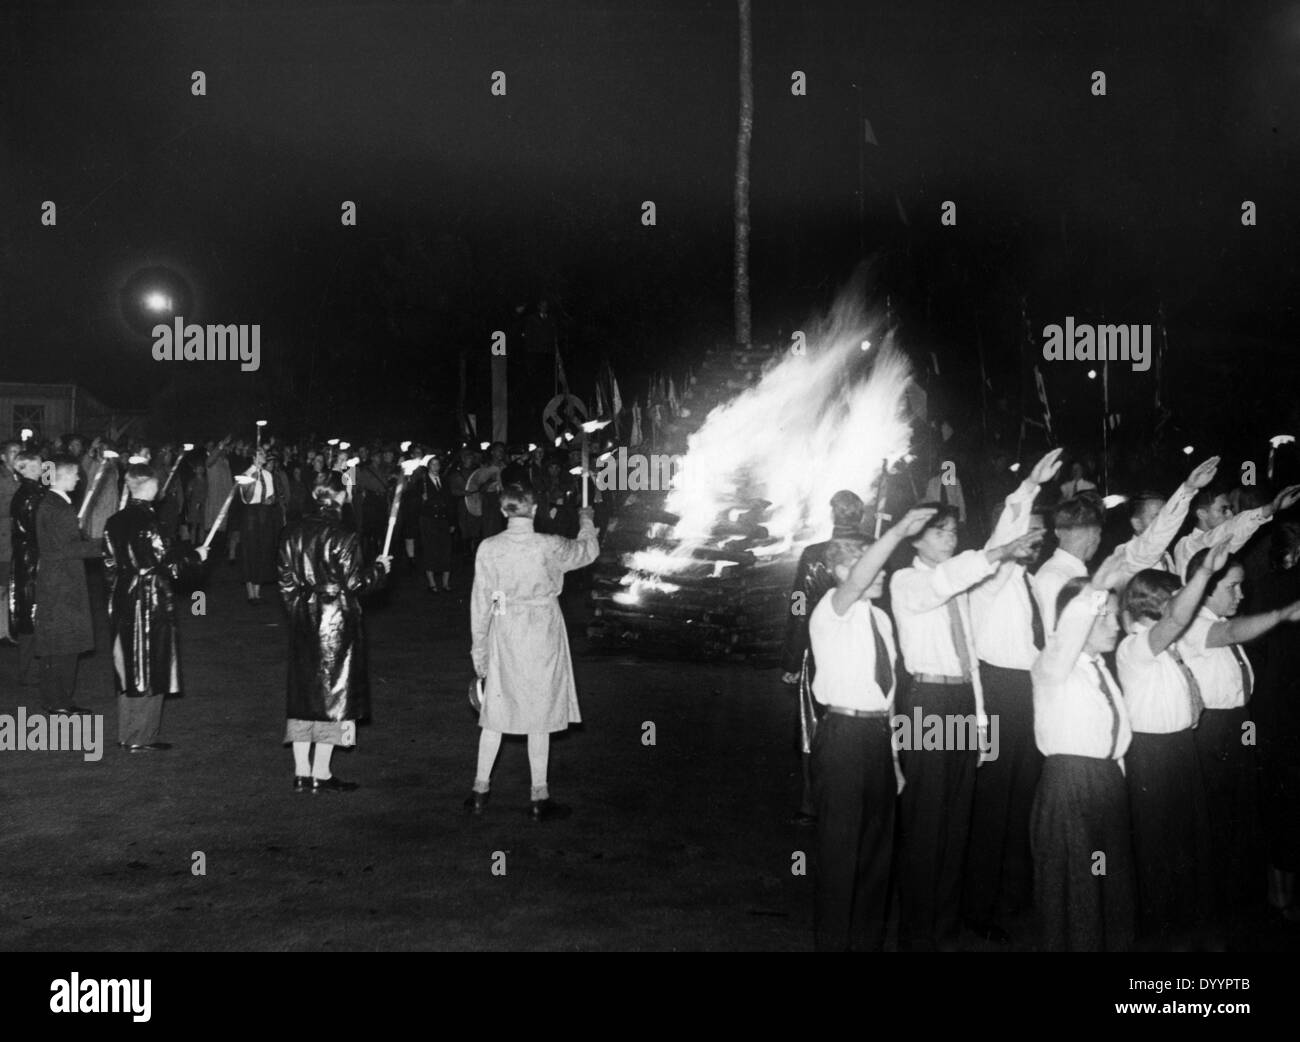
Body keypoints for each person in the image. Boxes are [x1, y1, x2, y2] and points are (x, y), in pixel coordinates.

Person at [888, 504, 1043, 950]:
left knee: (957, 821)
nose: (950, 540)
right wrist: (1000, 551)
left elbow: (971, 663)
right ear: (915, 541)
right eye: (939, 534)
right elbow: (946, 579)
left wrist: (978, 726)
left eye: (954, 533)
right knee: (925, 821)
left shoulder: (959, 590)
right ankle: (916, 936)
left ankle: (944, 929)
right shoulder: (909, 581)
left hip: (958, 701)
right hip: (926, 706)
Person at [808, 507, 935, 951]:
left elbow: (889, 697)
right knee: (841, 855)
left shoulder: (881, 621)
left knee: (876, 857)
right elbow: (859, 580)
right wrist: (900, 530)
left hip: (878, 742)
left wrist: (896, 760)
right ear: (844, 570)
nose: (881, 575)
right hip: (842, 737)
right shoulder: (832, 609)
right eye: (871, 566)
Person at [964, 447, 1063, 943]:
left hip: (1026, 693)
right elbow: (1005, 535)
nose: (1036, 542)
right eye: (1031, 534)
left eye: (1042, 537)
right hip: (998, 693)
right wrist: (1028, 487)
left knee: (1023, 798)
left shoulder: (1031, 583)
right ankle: (977, 908)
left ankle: (1010, 897)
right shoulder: (992, 577)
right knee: (993, 804)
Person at [1179, 546, 1300, 914]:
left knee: (1243, 818)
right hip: (1214, 731)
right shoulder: (1193, 624)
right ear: (1207, 588)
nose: (1241, 595)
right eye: (1232, 587)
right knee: (1219, 823)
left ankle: (1244, 905)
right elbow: (1230, 632)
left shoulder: (1213, 620)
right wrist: (1282, 613)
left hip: (1238, 725)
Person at [467, 484, 598, 821]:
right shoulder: (549, 544)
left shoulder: (489, 547)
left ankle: (479, 791)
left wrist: (480, 649)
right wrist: (586, 520)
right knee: (540, 712)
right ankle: (539, 797)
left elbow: (486, 599)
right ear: (535, 509)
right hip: (542, 628)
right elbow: (586, 552)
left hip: (505, 627)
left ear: (503, 510)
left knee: (496, 709)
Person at [1116, 551, 1227, 941]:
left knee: (1188, 841)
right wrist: (1207, 571)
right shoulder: (1135, 647)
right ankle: (1163, 932)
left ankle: (1189, 924)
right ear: (1160, 605)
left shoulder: (1170, 648)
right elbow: (1178, 617)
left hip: (1181, 748)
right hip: (1152, 755)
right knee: (1158, 845)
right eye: (1176, 598)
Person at [1030, 553, 1137, 951]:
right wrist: (1094, 589)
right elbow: (1070, 626)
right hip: (1070, 788)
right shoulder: (1052, 665)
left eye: (1113, 616)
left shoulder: (1100, 669)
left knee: (1108, 884)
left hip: (1106, 784)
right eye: (1104, 616)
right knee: (1077, 891)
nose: (1115, 625)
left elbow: (1114, 736)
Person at [277, 473, 391, 793]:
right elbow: (356, 584)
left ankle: (303, 772)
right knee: (333, 696)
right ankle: (321, 772)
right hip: (335, 621)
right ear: (339, 497)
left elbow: (285, 583)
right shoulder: (343, 535)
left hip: (304, 616)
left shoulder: (291, 532)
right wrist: (380, 570)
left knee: (305, 697)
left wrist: (299, 612)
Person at [780, 490, 870, 827]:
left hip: (821, 650)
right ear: (860, 515)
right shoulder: (877, 551)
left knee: (812, 728)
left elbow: (800, 608)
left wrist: (791, 660)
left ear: (834, 515)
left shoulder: (814, 554)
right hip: (863, 648)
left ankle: (811, 804)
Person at [104, 464, 209, 751]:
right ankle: (142, 737)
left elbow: (109, 566)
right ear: (151, 487)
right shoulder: (151, 523)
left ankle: (128, 734)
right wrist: (196, 557)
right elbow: (169, 566)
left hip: (123, 598)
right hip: (149, 600)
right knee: (149, 666)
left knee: (129, 665)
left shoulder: (113, 521)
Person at [1254, 521, 1300, 922]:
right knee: (1288, 803)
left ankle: (1277, 893)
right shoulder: (1289, 589)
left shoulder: (1263, 588)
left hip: (1268, 707)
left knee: (1278, 800)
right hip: (1288, 709)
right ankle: (1282, 897)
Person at [33, 456, 102, 715]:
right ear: (61, 476)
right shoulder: (59, 507)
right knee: (64, 644)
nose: (78, 478)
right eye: (74, 474)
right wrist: (102, 546)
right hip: (63, 583)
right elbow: (67, 548)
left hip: (57, 580)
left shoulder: (53, 503)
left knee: (55, 644)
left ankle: (54, 699)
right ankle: (60, 701)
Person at [1172, 481, 1300, 578]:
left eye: (1231, 509)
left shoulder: (1217, 541)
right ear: (1202, 513)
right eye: (1223, 510)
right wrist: (1270, 508)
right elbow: (1231, 529)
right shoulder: (1189, 544)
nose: (1230, 514)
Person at [9, 449, 45, 685]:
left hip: (26, 559)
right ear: (25, 469)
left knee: (30, 617)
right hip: (32, 562)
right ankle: (30, 672)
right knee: (32, 616)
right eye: (38, 465)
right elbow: (38, 531)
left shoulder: (28, 493)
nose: (42, 468)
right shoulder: (31, 496)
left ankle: (30, 670)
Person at [238, 448, 280, 604]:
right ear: (254, 457)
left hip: (264, 513)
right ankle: (250, 593)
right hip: (250, 514)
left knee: (262, 549)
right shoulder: (246, 475)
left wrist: (272, 500)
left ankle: (258, 590)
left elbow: (272, 495)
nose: (264, 456)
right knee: (250, 550)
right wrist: (253, 479)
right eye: (261, 454)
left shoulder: (268, 475)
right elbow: (247, 499)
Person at [418, 455, 455, 593]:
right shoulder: (422, 482)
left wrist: (452, 521)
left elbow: (450, 502)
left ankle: (445, 583)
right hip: (428, 520)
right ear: (428, 466)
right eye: (432, 464)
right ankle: (432, 583)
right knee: (430, 550)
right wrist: (421, 500)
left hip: (443, 520)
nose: (435, 467)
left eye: (437, 464)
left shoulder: (444, 481)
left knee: (446, 550)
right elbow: (413, 502)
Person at [0, 439, 20, 642]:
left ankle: (7, 628)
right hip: (3, 539)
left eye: (19, 452)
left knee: (10, 584)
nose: (17, 455)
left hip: (15, 540)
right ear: (3, 456)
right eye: (13, 452)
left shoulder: (21, 476)